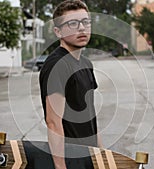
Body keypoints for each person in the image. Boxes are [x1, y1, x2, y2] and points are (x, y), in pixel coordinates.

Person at [39, 1, 102, 169]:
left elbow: (91, 116)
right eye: (73, 23)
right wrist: (61, 166)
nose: (81, 28)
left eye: (85, 22)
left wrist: (101, 156)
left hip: (89, 156)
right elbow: (53, 122)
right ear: (58, 31)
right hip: (71, 158)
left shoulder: (86, 63)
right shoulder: (57, 65)